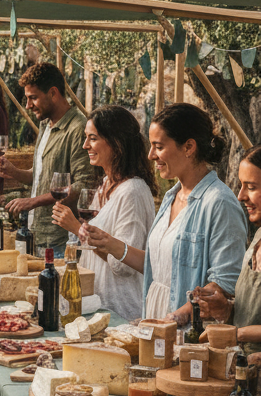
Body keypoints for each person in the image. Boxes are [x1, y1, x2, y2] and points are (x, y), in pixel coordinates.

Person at [79, 103, 246, 324]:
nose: (150, 155)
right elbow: (154, 266)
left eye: (158, 146)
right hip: (158, 325)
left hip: (190, 335)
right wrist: (109, 243)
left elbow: (222, 286)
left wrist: (175, 318)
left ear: (188, 147)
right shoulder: (171, 197)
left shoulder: (219, 203)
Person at [48, 106, 157, 323]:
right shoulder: (106, 184)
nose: (85, 145)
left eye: (92, 138)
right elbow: (100, 242)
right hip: (99, 305)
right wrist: (81, 231)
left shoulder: (133, 191)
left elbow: (124, 265)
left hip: (122, 312)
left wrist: (76, 229)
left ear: (116, 143)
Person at [2, 62, 94, 253]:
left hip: (60, 238)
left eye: (32, 98)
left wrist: (32, 202)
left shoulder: (77, 129)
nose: (28, 105)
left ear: (53, 93)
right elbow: (40, 176)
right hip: (37, 232)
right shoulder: (46, 124)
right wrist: (13, 171)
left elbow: (83, 185)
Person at [196, 145, 261, 361]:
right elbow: (252, 313)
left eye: (250, 187)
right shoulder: (258, 236)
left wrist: (236, 334)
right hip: (245, 372)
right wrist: (225, 308)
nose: (241, 196)